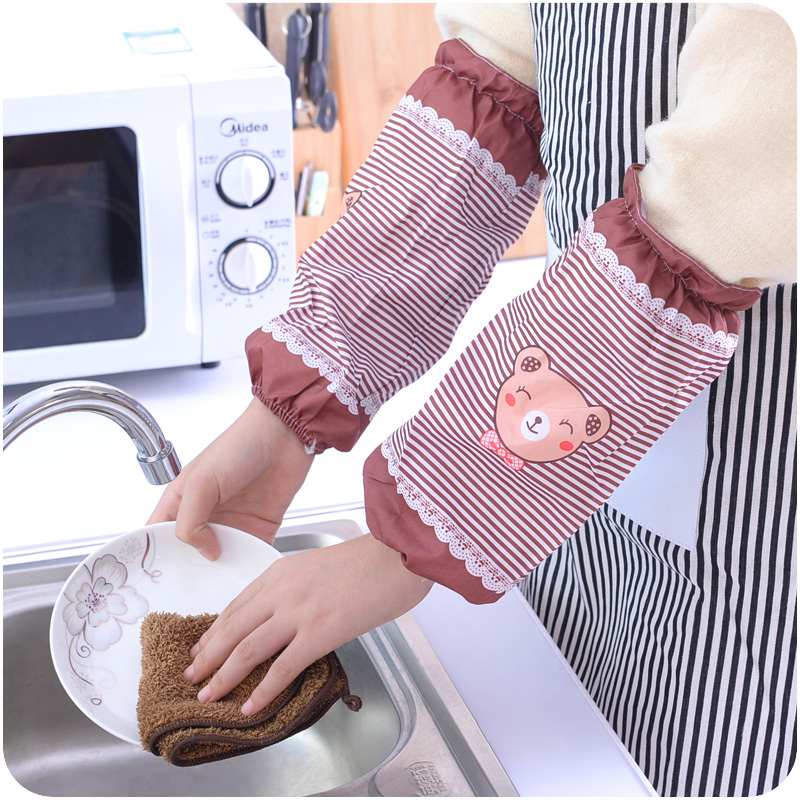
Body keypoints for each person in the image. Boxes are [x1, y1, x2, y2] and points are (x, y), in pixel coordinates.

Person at [150, 3, 795, 794]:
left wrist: (406, 544)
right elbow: (488, 97)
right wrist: (291, 407)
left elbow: (734, 194)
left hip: (748, 529)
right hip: (557, 493)